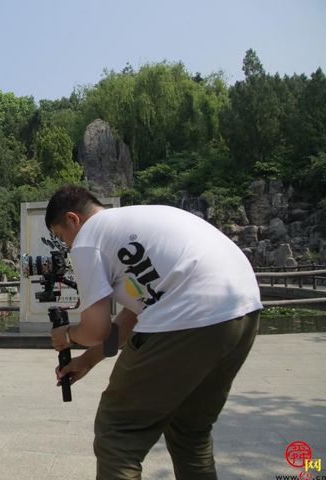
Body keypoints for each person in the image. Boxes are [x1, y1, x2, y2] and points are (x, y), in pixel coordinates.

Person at [45, 185, 262, 480]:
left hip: (188, 315)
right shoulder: (138, 220)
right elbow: (132, 317)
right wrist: (88, 360)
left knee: (118, 431)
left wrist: (68, 336)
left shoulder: (88, 239)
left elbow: (96, 329)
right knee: (190, 430)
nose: (67, 246)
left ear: (73, 219)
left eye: (61, 237)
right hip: (242, 310)